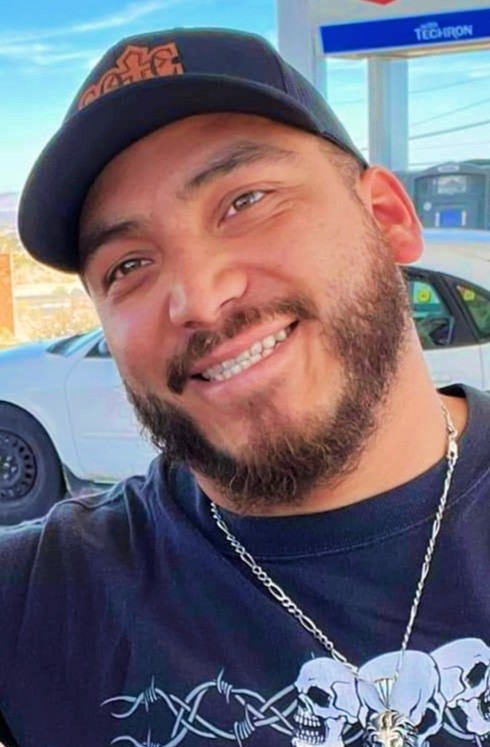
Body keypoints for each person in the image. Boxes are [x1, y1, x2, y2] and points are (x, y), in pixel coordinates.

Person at [0, 26, 489, 747]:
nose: (198, 298)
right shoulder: (40, 603)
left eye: (245, 201)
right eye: (128, 266)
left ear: (387, 219)